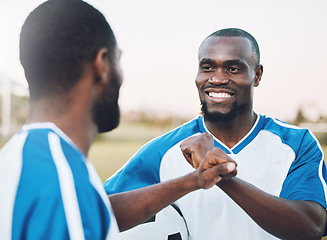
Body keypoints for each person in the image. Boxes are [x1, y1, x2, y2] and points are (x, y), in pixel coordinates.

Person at [0, 0, 235, 239]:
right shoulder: (60, 178)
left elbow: (97, 210)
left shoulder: (19, 159)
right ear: (102, 64)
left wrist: (193, 181)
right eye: (118, 60)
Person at [104, 28, 327, 239]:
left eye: (233, 68)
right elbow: (96, 210)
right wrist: (189, 182)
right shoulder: (164, 150)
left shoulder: (297, 144)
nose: (217, 79)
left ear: (257, 75)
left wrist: (220, 177)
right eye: (207, 68)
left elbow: (313, 226)